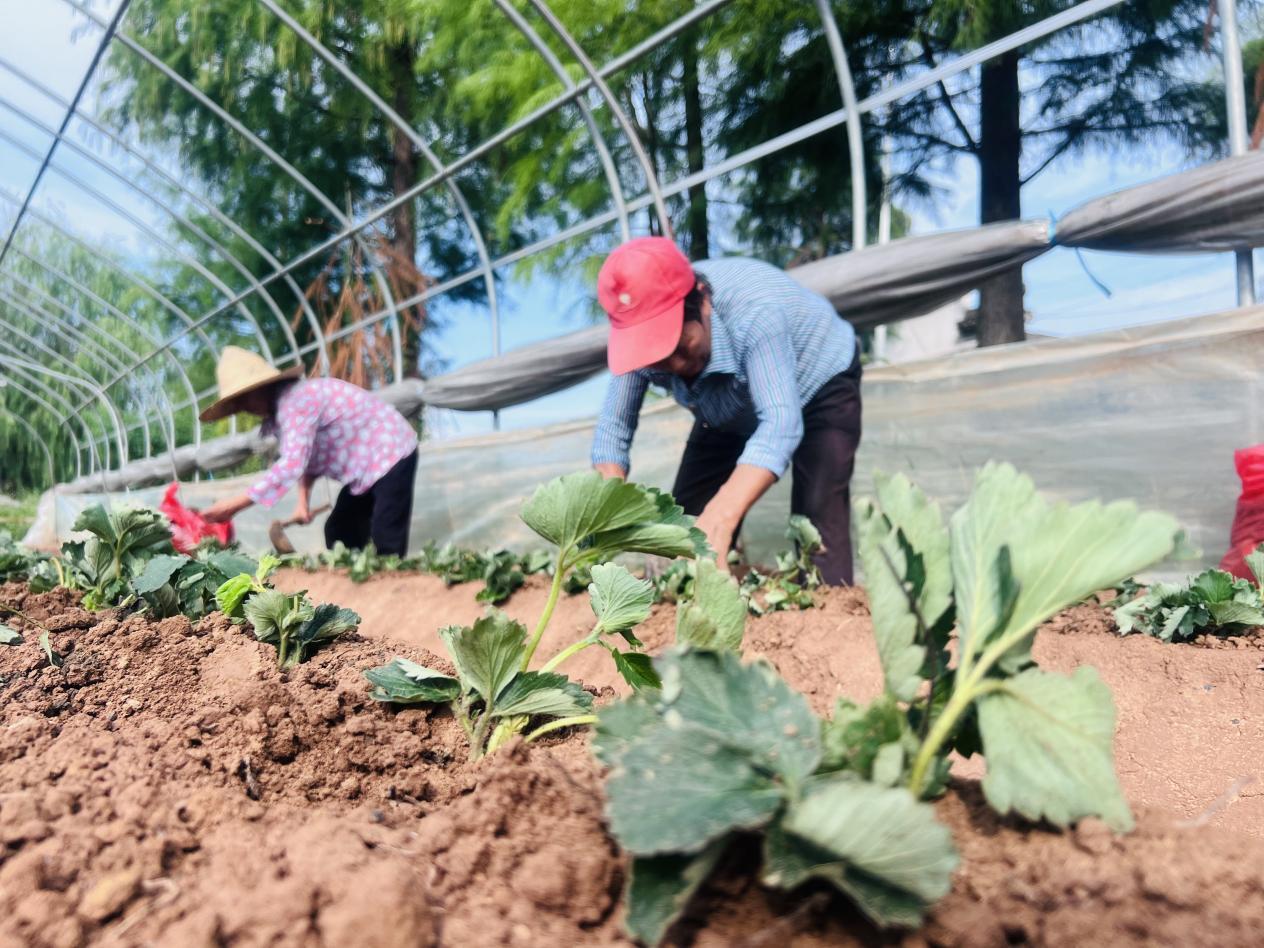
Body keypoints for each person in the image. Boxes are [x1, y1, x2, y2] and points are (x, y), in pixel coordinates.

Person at [591, 237, 862, 584]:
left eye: (680, 348)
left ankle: (828, 600)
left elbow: (781, 423)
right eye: (659, 358)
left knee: (817, 525)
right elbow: (612, 433)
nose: (675, 366)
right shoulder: (638, 343)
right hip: (723, 407)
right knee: (683, 535)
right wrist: (611, 509)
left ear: (703, 301)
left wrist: (722, 516)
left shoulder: (755, 311)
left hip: (819, 381)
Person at [199, 346, 419, 556]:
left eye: (245, 397)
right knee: (339, 531)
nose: (245, 407)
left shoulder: (296, 401)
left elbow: (292, 464)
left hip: (392, 451)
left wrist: (234, 505)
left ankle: (392, 577)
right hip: (368, 468)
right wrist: (302, 502)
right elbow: (308, 458)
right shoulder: (282, 413)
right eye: (239, 403)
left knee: (387, 536)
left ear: (262, 387)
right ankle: (355, 579)